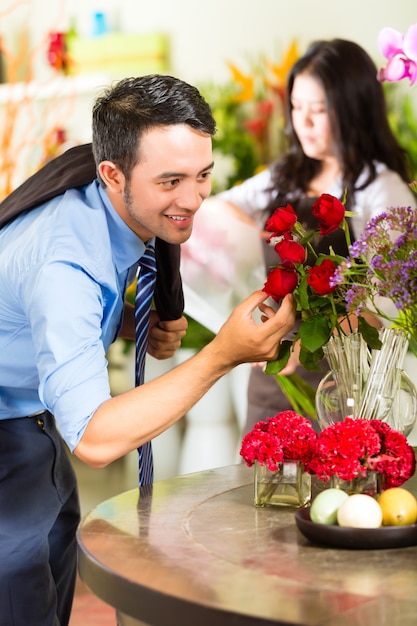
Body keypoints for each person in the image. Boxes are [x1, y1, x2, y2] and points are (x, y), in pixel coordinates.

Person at [0, 74, 296, 626]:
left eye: (203, 175)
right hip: (7, 437)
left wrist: (139, 321)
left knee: (58, 568)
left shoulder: (105, 196)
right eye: (171, 181)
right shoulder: (65, 267)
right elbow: (93, 437)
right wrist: (221, 355)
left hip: (32, 424)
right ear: (113, 173)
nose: (193, 199)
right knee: (20, 599)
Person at [214, 38, 416, 434]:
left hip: (343, 382)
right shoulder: (286, 174)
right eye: (296, 107)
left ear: (354, 110)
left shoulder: (378, 187)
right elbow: (218, 208)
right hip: (273, 377)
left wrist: (306, 339)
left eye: (318, 110)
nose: (302, 122)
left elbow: (390, 303)